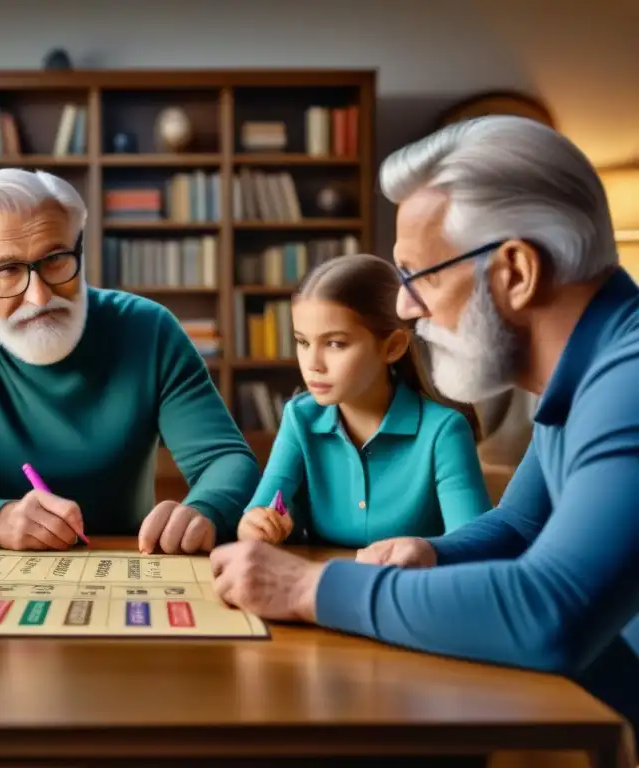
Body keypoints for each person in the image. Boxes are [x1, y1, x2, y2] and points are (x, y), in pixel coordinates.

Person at [209, 115, 639, 736]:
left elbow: (552, 613)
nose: (406, 307)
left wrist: (312, 589)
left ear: (515, 272)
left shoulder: (627, 383)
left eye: (421, 275)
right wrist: (433, 553)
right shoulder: (588, 371)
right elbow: (520, 524)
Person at [0, 168, 260, 554]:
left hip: (126, 570)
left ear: (79, 248)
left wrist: (203, 510)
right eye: (7, 270)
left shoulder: (148, 329)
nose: (38, 297)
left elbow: (227, 461)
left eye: (55, 260)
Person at [238, 253, 489, 547]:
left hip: (412, 589)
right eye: (303, 342)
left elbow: (475, 546)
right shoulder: (300, 417)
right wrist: (255, 527)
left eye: (335, 343)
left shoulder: (444, 431)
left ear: (393, 347)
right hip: (320, 587)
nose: (313, 363)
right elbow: (258, 515)